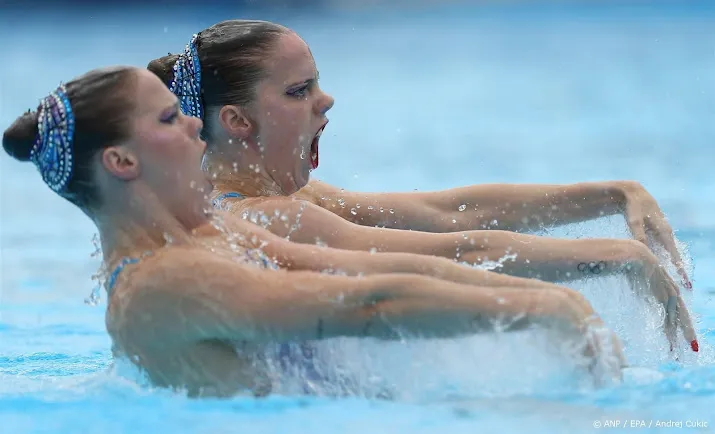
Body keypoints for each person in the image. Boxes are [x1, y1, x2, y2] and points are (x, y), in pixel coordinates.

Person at [3, 66, 628, 398]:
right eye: (169, 118)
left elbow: (381, 270)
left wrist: (553, 298)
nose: (194, 128)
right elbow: (366, 306)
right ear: (122, 162)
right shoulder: (162, 286)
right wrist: (540, 306)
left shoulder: (212, 238)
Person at [147, 20, 698, 352]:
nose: (327, 100)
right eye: (298, 91)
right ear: (238, 122)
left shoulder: (266, 204)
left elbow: (447, 211)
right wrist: (613, 257)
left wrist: (614, 194)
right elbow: (462, 250)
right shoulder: (273, 220)